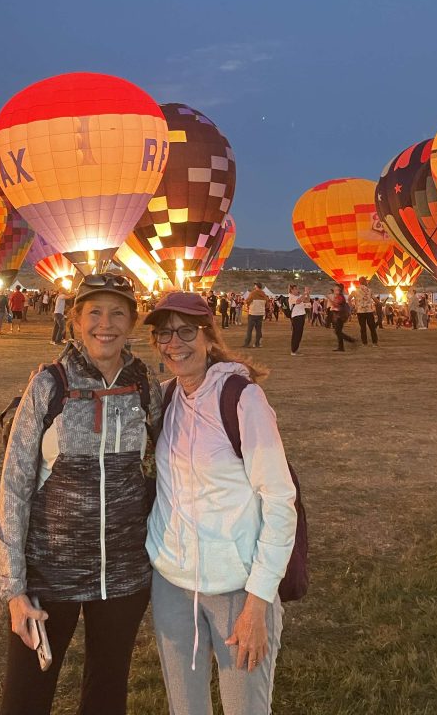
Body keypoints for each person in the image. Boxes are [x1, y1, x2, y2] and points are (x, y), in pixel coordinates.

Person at [0, 274, 162, 715]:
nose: (106, 324)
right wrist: (13, 588)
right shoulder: (49, 385)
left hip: (124, 574)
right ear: (75, 320)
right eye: (95, 312)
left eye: (118, 312)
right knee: (25, 699)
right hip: (50, 575)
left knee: (107, 695)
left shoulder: (144, 385)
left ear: (133, 322)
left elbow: (160, 468)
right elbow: (14, 485)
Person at [144, 292, 297, 715]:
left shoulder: (242, 399)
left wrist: (258, 602)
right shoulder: (165, 397)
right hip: (173, 584)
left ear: (209, 336)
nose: (174, 343)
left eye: (186, 331)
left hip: (237, 589)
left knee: (244, 708)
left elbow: (281, 501)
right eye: (164, 334)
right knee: (185, 708)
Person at [328, 283, 355, 352]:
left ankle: (350, 340)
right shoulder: (339, 296)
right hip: (339, 316)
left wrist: (329, 298)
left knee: (337, 332)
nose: (334, 289)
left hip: (340, 316)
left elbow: (336, 305)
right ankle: (341, 347)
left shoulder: (340, 297)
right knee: (338, 331)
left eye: (335, 288)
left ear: (339, 289)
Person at [353, 277, 378, 347]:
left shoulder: (355, 290)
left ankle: (364, 343)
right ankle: (374, 343)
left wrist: (354, 307)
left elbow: (349, 298)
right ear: (364, 282)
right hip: (369, 311)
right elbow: (375, 299)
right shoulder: (369, 290)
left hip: (360, 311)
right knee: (372, 327)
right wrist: (379, 303)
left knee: (363, 328)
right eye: (366, 281)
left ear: (359, 282)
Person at [243, 283, 267, 348]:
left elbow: (247, 301)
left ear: (256, 286)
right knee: (258, 330)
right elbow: (267, 304)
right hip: (260, 314)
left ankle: (247, 343)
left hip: (253, 313)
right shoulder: (264, 294)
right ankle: (257, 343)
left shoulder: (253, 293)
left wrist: (247, 305)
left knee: (249, 330)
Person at [287, 283, 307, 356]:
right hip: (296, 317)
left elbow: (306, 300)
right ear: (291, 290)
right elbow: (298, 301)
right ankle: (293, 350)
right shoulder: (291, 297)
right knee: (296, 334)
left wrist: (307, 293)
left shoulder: (297, 296)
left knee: (299, 334)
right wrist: (305, 293)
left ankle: (295, 349)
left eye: (297, 289)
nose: (297, 290)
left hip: (301, 316)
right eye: (295, 289)